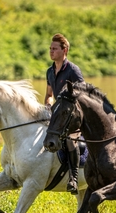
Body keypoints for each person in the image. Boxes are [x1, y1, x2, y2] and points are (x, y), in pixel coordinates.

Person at [44, 33, 84, 194]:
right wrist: (48, 105)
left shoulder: (73, 70)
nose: (51, 51)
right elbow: (49, 94)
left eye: (55, 49)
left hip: (72, 117)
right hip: (56, 115)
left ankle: (73, 179)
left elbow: (83, 94)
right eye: (50, 48)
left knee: (70, 140)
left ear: (64, 50)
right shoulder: (50, 71)